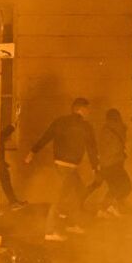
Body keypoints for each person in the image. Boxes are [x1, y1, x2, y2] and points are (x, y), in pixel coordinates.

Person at [26, 97, 98, 241]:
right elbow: (91, 148)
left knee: (78, 192)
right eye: (87, 109)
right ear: (81, 110)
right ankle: (50, 231)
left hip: (61, 165)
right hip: (68, 167)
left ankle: (72, 223)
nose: (89, 112)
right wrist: (95, 167)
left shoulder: (60, 122)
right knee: (60, 197)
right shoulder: (85, 126)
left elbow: (46, 137)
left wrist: (32, 152)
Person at [94, 108, 132, 216]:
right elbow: (116, 147)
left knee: (115, 187)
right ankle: (107, 207)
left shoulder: (104, 130)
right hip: (115, 163)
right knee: (126, 186)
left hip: (105, 164)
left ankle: (105, 208)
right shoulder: (119, 128)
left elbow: (101, 147)